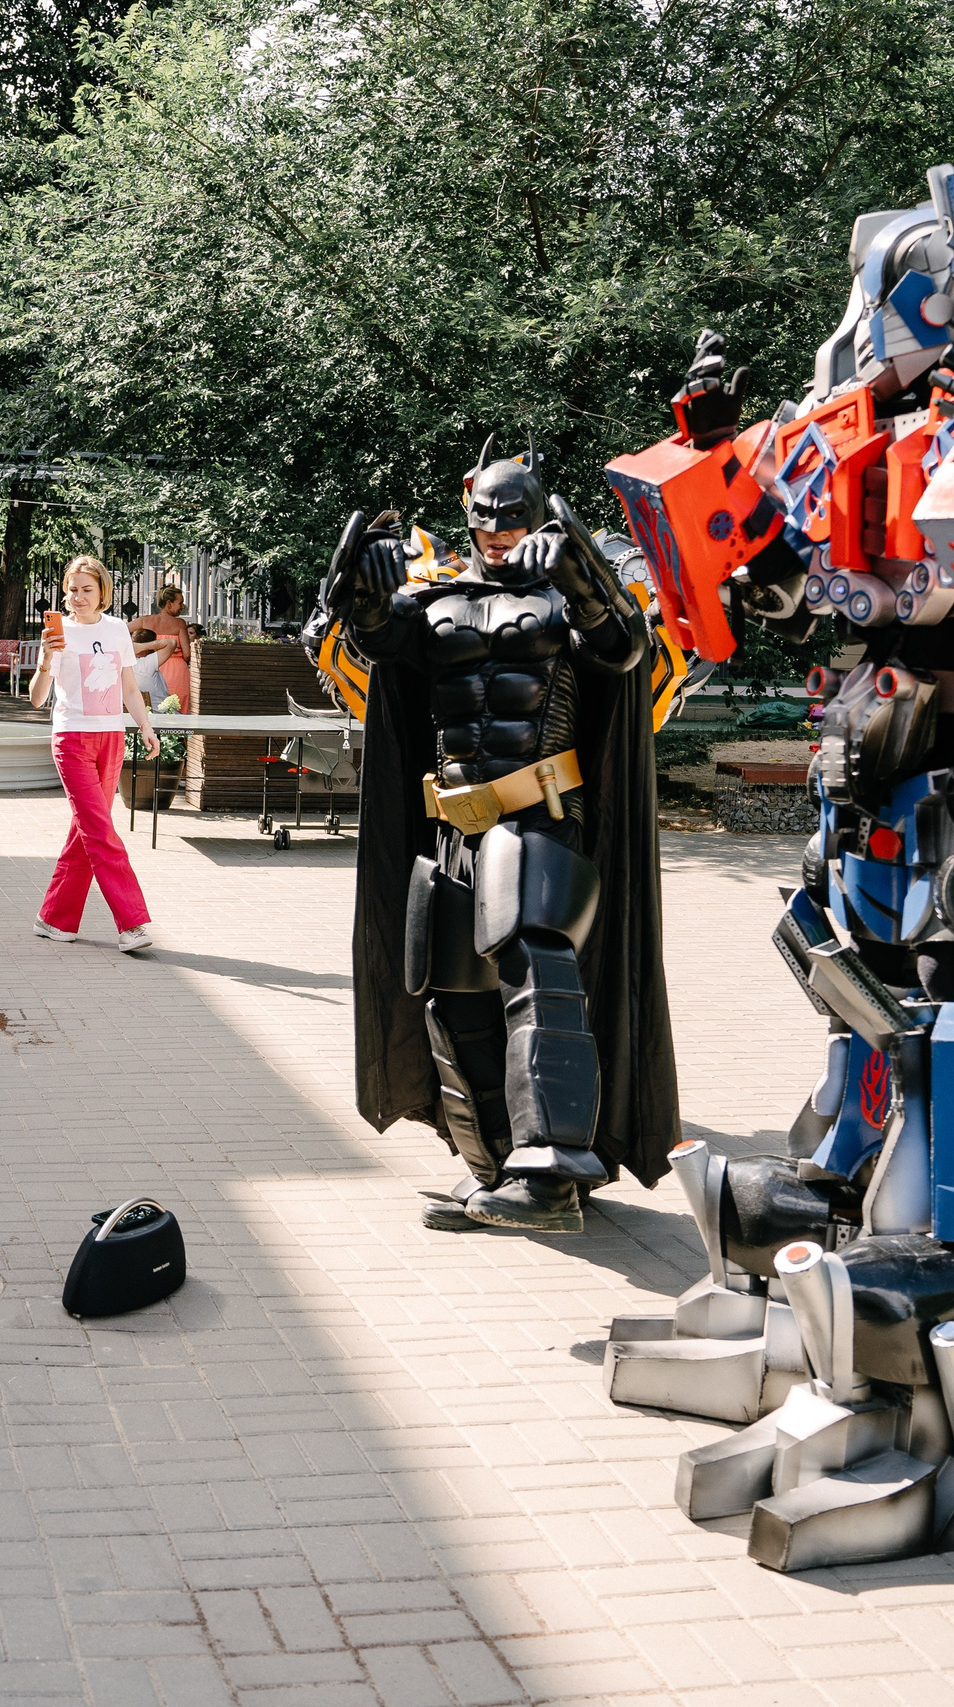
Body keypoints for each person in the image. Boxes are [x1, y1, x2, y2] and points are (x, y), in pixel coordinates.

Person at [306, 442, 671, 1230]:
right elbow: (379, 642)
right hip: (456, 827)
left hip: (539, 816)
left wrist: (584, 584)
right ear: (467, 518)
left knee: (537, 974)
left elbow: (624, 650)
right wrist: (362, 594)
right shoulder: (436, 603)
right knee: (454, 997)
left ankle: (552, 1174)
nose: (498, 532)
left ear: (537, 519)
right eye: (485, 519)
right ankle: (500, 1169)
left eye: (513, 519)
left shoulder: (560, 601)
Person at [29, 555, 162, 954]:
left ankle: (54, 919)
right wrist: (45, 659)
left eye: (87, 589)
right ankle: (132, 923)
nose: (79, 597)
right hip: (72, 739)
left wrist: (145, 725)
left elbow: (128, 687)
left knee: (86, 832)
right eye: (72, 589)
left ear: (103, 591)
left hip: (111, 739)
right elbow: (37, 699)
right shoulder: (59, 633)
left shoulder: (118, 628)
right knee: (102, 833)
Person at [136, 584, 194, 709]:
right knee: (177, 708)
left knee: (152, 706)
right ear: (169, 604)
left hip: (151, 665)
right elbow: (187, 654)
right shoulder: (179, 624)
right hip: (177, 671)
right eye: (180, 603)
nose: (183, 606)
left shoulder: (145, 621)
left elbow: (121, 629)